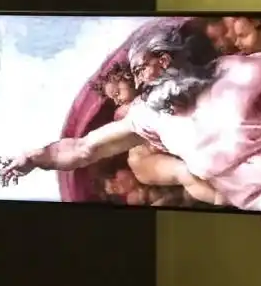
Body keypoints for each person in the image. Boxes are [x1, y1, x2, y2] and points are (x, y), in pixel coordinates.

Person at [0, 19, 261, 214]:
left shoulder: (236, 72)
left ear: (165, 60)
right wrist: (33, 157)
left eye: (141, 69)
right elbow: (83, 149)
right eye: (135, 73)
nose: (138, 80)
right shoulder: (146, 119)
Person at [90, 62, 222, 205]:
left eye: (117, 93)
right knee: (184, 172)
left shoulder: (155, 84)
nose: (118, 100)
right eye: (114, 98)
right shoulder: (125, 113)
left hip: (182, 137)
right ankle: (221, 200)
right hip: (152, 153)